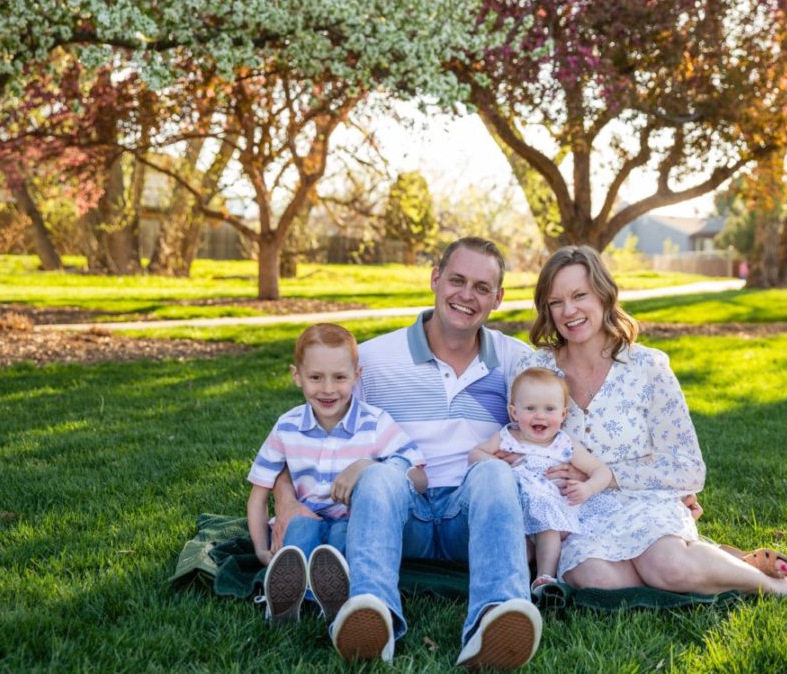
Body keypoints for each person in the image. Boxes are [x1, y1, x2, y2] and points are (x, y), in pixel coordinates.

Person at [518, 245, 787, 602]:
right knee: (594, 580)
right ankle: (730, 561)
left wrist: (605, 475)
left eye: (579, 295)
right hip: (578, 513)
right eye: (556, 301)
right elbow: (513, 441)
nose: (568, 311)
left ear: (604, 295)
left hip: (643, 501)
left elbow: (688, 468)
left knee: (668, 567)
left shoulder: (648, 368)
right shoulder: (535, 369)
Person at [271, 238, 543, 669]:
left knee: (494, 474)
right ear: (435, 279)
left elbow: (567, 421)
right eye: (456, 280)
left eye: (481, 287)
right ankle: (370, 613)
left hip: (469, 516)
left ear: (498, 298)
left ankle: (496, 616)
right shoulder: (377, 359)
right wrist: (285, 501)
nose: (466, 296)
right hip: (401, 511)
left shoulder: (516, 361)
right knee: (377, 474)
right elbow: (307, 432)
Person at [247, 323, 426, 624]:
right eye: (316, 377)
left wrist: (373, 467)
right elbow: (258, 495)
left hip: (352, 519)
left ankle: (332, 595)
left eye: (340, 377)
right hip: (304, 516)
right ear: (297, 376)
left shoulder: (375, 423)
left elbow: (419, 476)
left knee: (344, 537)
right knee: (300, 530)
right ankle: (286, 599)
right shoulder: (287, 426)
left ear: (357, 376)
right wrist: (262, 550)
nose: (328, 389)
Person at [468, 366, 613, 595]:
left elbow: (601, 471)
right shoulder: (507, 437)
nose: (540, 415)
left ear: (563, 414)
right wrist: (502, 465)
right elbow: (476, 454)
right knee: (514, 545)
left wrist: (587, 488)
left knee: (547, 529)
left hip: (554, 513)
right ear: (514, 413)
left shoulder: (564, 444)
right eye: (530, 408)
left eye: (549, 409)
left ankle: (544, 577)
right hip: (516, 514)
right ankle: (510, 580)